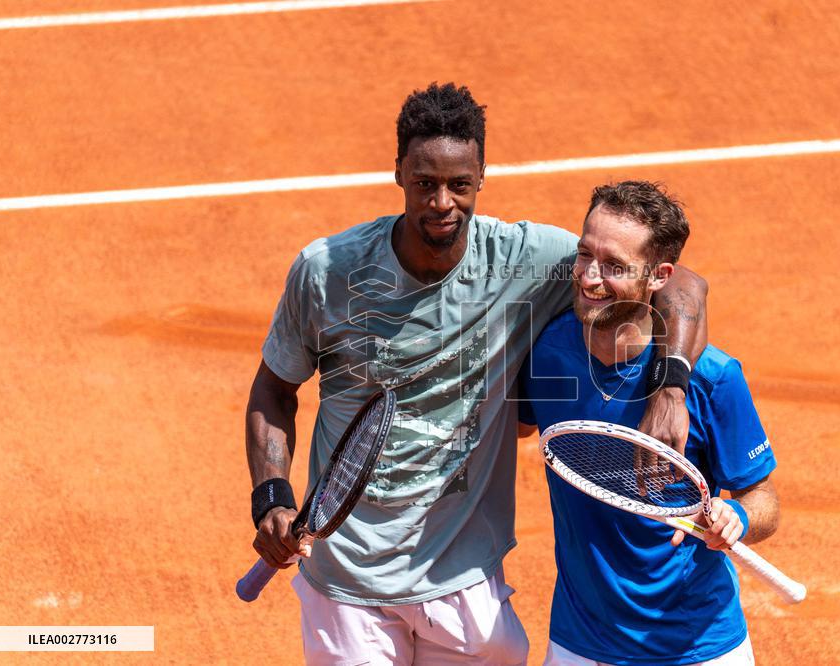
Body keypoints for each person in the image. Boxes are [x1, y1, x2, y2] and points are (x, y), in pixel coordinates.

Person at [245, 84, 709, 664]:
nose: (442, 202)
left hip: (464, 576)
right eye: (425, 183)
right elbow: (273, 387)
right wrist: (271, 495)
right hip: (350, 576)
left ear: (482, 176)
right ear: (398, 174)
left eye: (459, 184)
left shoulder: (527, 260)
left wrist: (669, 387)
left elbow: (681, 284)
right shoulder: (327, 271)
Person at [517, 181, 780, 666]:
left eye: (615, 266)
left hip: (696, 647)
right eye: (584, 255)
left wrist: (736, 518)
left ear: (658, 276)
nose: (590, 278)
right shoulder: (545, 355)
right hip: (580, 641)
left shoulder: (714, 379)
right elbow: (516, 427)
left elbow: (762, 499)